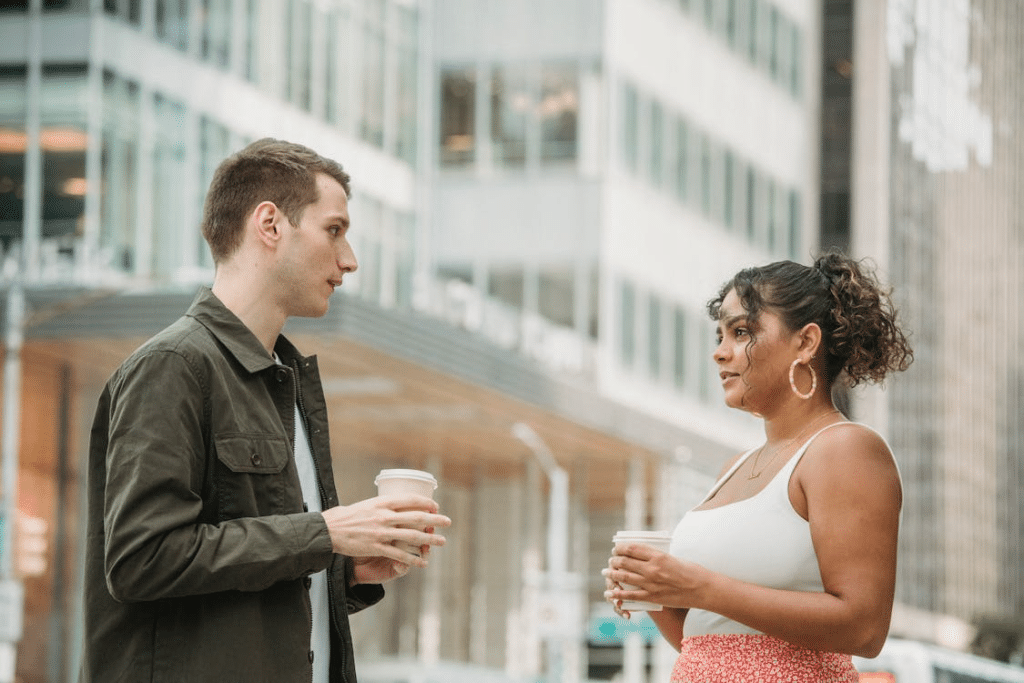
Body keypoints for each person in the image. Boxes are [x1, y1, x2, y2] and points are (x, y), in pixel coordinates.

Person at [80, 138, 452, 683]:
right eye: (334, 230)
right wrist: (323, 534)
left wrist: (342, 570)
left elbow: (257, 579)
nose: (349, 260)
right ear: (270, 224)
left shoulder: (287, 381)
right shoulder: (173, 366)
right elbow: (142, 558)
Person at [604, 251, 913, 682]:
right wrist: (654, 594)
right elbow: (713, 641)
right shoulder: (734, 468)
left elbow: (863, 627)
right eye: (719, 335)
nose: (719, 353)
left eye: (741, 332)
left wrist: (697, 586)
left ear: (805, 343)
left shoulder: (846, 450)